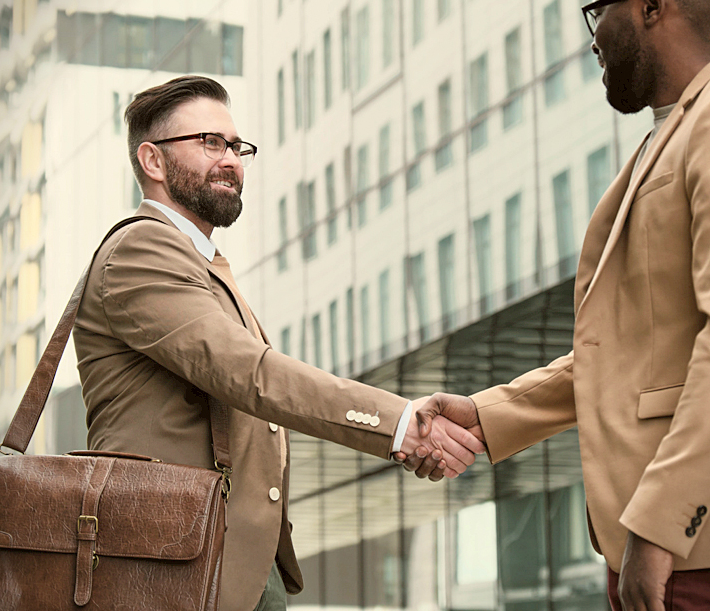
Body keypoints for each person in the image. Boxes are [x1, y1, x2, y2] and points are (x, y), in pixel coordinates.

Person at [399, 0, 710, 611]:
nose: (592, 41)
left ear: (650, 4)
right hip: (670, 537)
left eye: (598, 13)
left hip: (703, 540)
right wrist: (487, 414)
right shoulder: (674, 135)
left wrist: (661, 526)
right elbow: (628, 354)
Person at [72, 75, 484, 611]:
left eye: (236, 147)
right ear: (152, 161)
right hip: (167, 566)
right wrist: (402, 424)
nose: (231, 160)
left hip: (223, 557)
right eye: (209, 143)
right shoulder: (141, 249)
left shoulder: (200, 262)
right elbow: (252, 374)